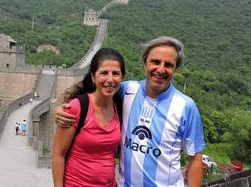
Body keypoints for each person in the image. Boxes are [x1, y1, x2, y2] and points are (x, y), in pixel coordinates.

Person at [55, 37, 205, 186]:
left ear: (175, 69)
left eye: (168, 65)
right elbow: (96, 94)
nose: (160, 69)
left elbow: (195, 159)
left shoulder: (186, 107)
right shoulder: (127, 91)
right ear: (145, 63)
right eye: (155, 62)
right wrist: (62, 108)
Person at [52, 48, 125, 187]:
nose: (110, 79)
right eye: (104, 73)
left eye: (115, 73)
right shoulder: (78, 107)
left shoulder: (120, 106)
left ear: (122, 77)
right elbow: (58, 154)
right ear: (93, 77)